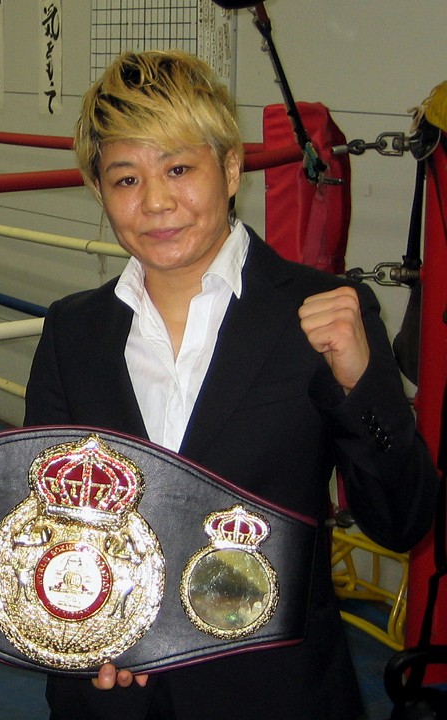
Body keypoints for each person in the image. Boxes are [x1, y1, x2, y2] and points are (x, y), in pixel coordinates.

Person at [23, 50, 438, 720]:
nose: (155, 202)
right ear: (99, 190)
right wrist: (62, 633)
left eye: (179, 169)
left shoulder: (324, 312)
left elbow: (403, 521)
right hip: (109, 696)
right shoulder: (74, 331)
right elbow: (47, 521)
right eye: (126, 178)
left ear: (232, 167)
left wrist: (361, 382)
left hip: (274, 696)